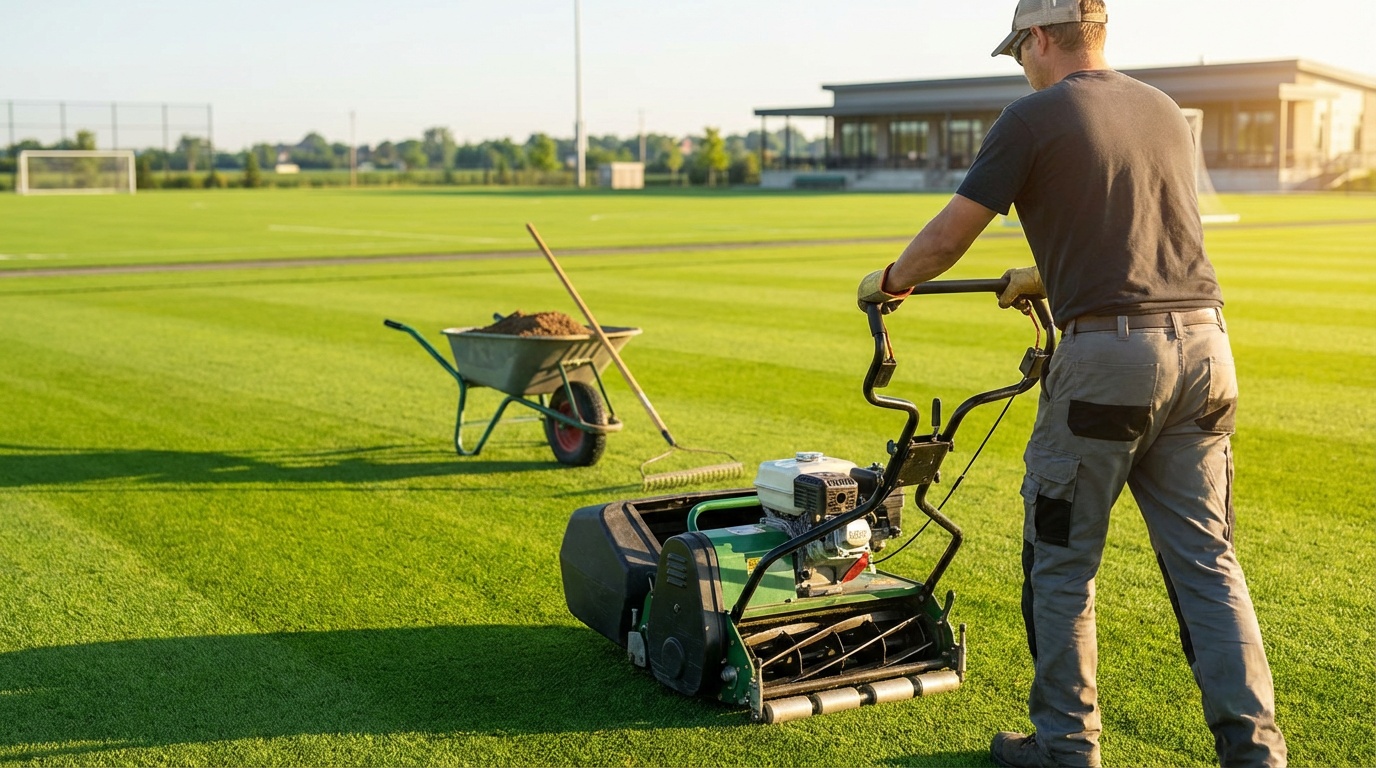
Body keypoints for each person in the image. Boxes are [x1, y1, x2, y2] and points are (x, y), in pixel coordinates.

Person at [855, 1, 1287, 766]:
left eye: (1019, 50)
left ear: (1040, 38)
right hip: (1208, 354)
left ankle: (1065, 746)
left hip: (1111, 370)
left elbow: (948, 238)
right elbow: (1140, 238)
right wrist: (1046, 274)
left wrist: (890, 281)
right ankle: (1256, 755)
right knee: (1208, 564)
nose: (1021, 65)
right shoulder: (1161, 110)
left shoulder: (1032, 116)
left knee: (1060, 562)